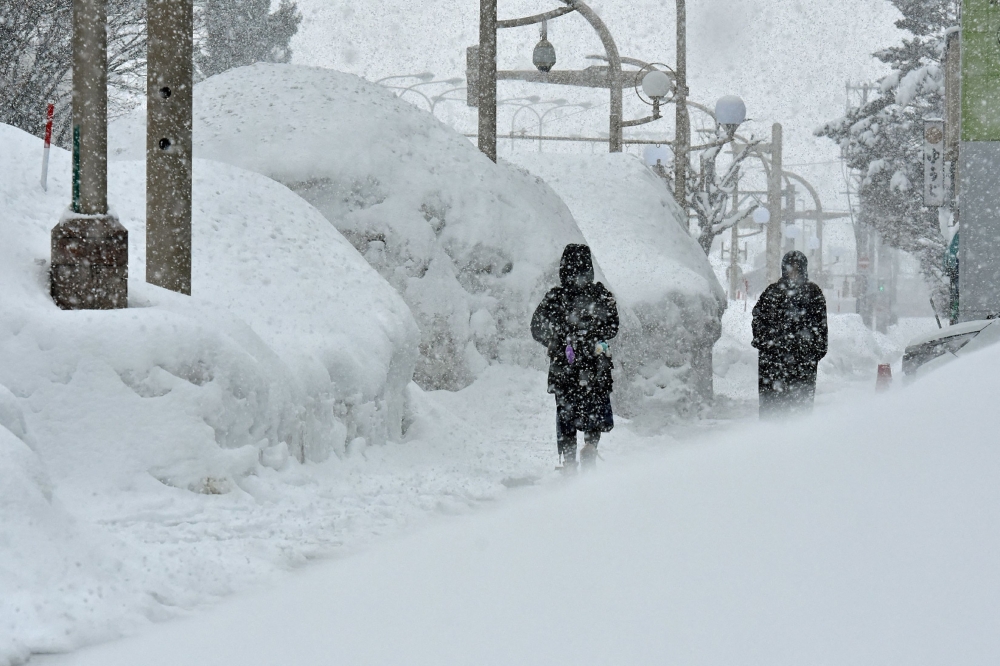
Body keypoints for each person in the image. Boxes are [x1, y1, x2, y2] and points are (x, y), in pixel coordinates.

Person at [531, 244, 619, 472]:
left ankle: (569, 461)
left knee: (566, 413)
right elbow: (612, 328)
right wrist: (592, 333)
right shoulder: (600, 295)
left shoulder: (555, 297)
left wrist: (556, 339)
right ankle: (590, 446)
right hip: (595, 365)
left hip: (564, 366)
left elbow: (536, 328)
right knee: (595, 408)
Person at [752, 250, 828, 418]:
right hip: (773, 367)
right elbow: (758, 321)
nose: (793, 272)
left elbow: (821, 331)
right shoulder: (772, 293)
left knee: (799, 414)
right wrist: (769, 345)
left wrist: (809, 354)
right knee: (773, 413)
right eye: (790, 268)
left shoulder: (813, 294)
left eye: (797, 268)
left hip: (802, 367)